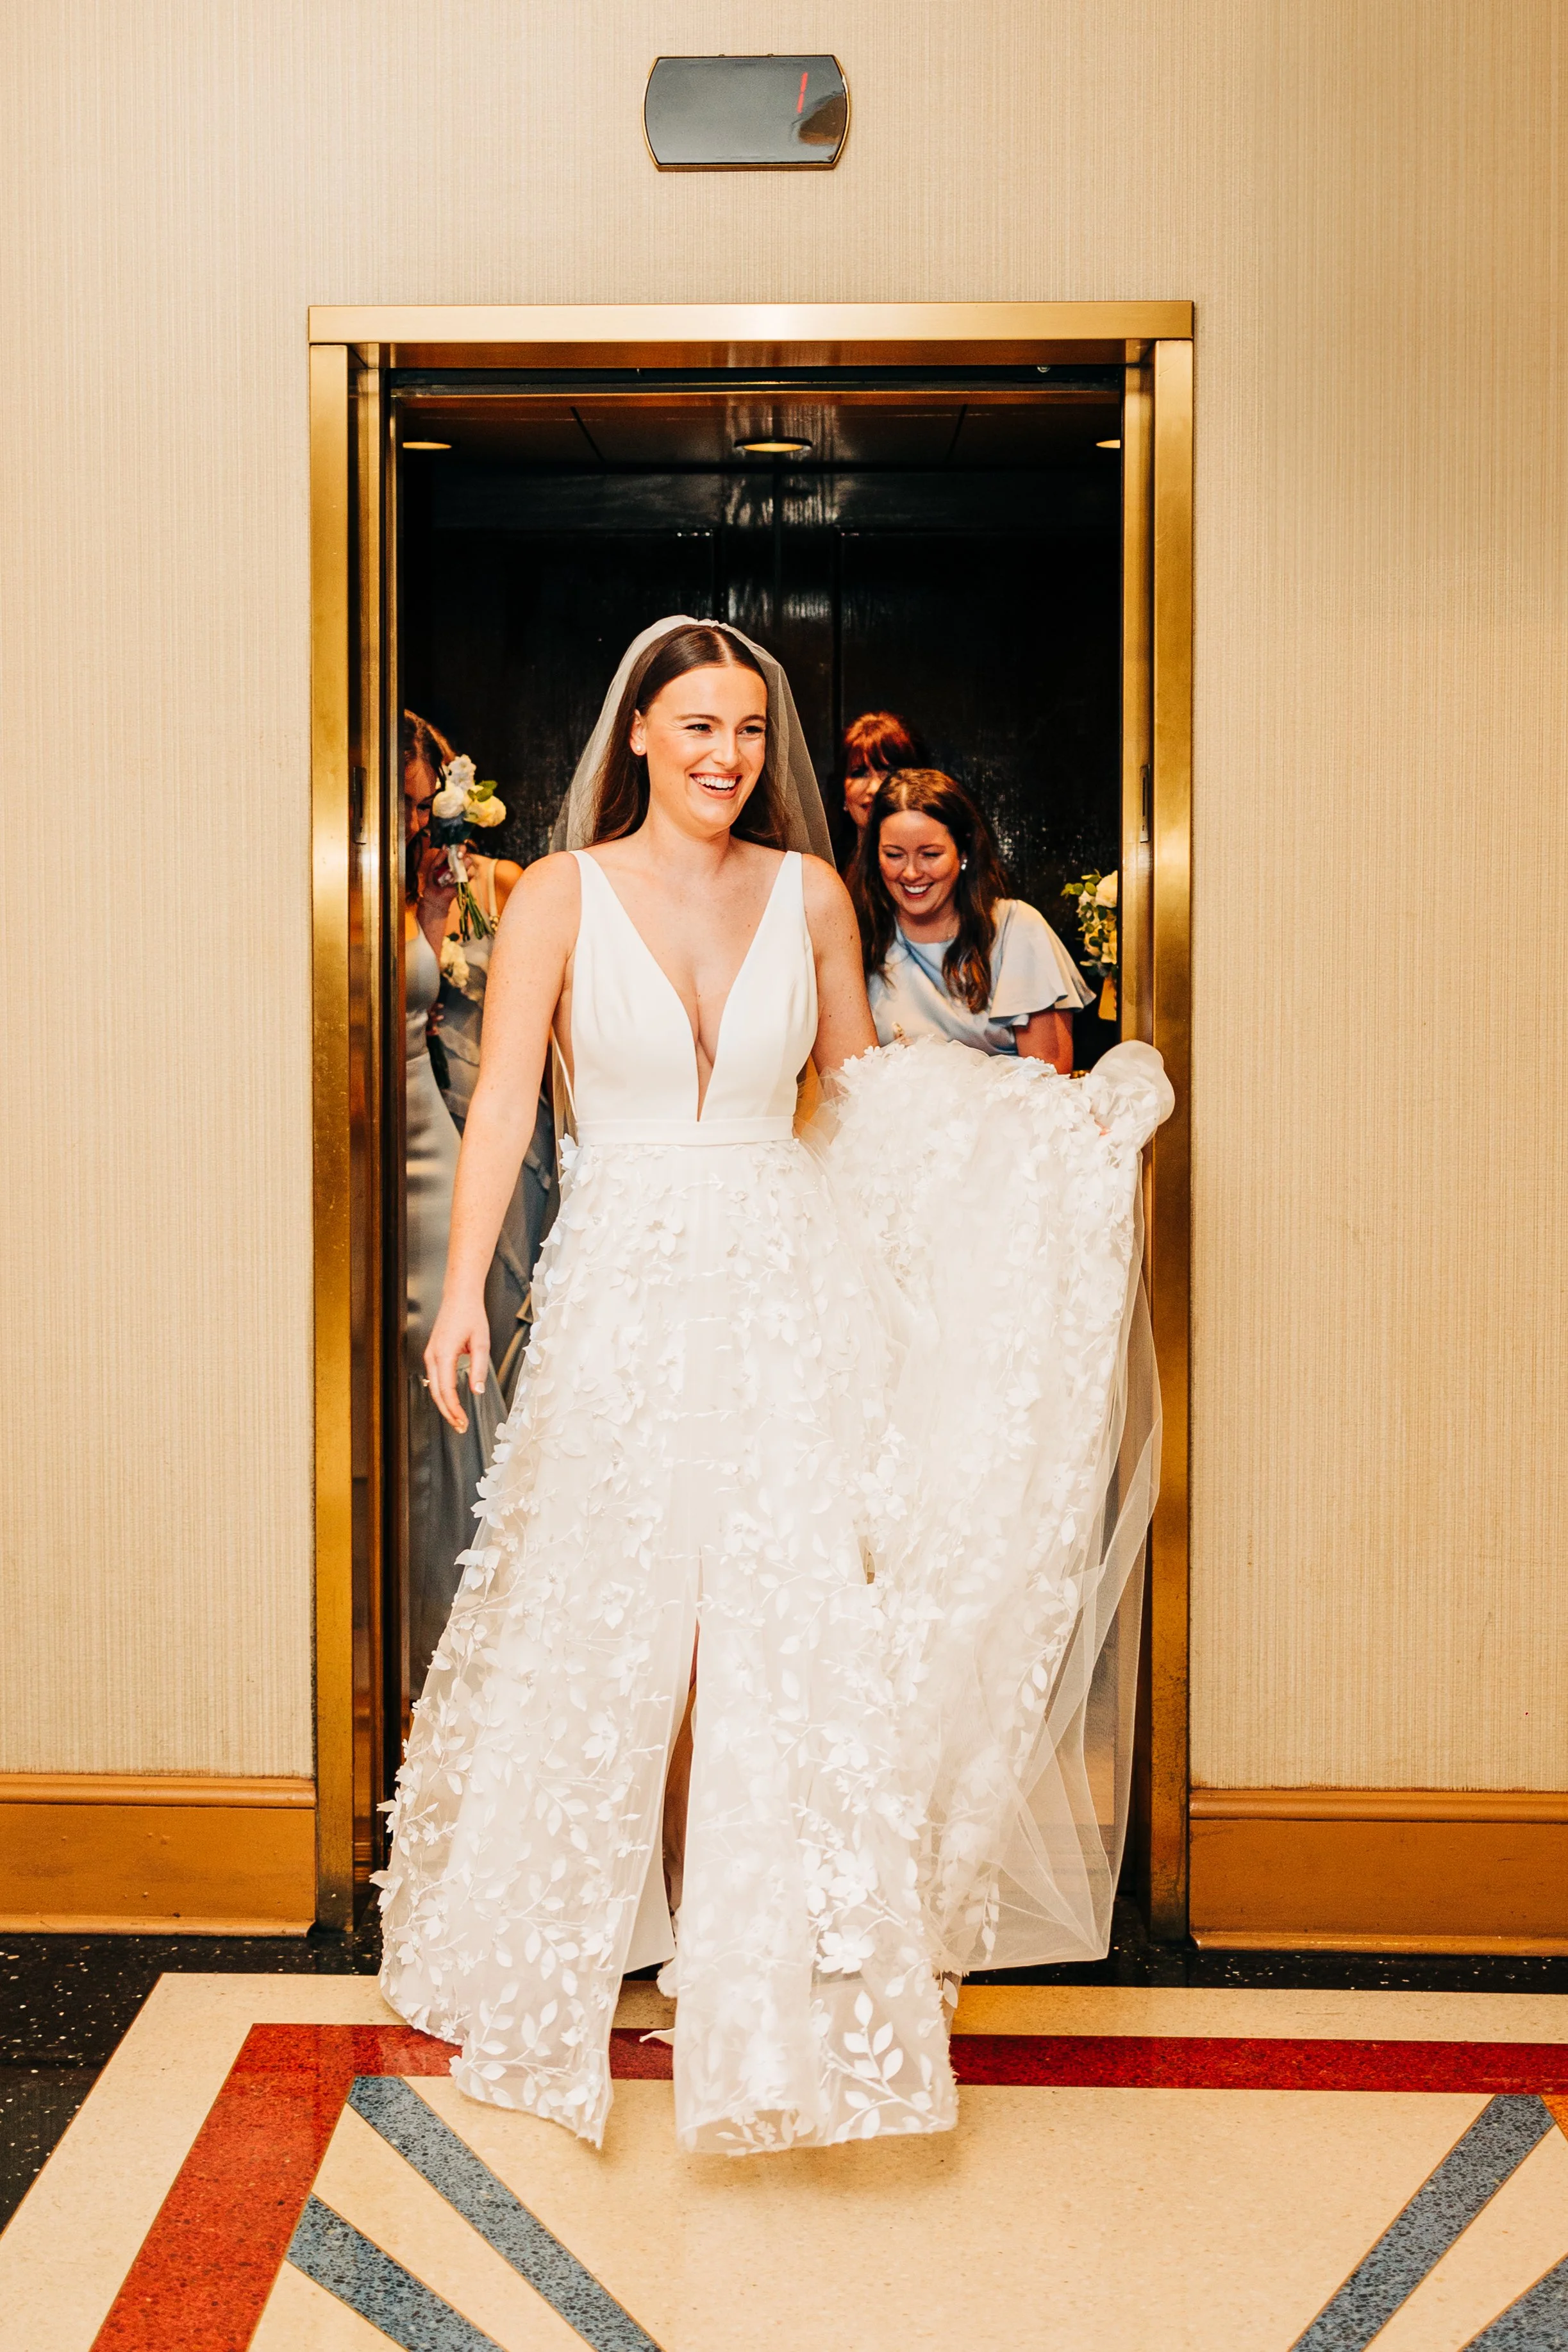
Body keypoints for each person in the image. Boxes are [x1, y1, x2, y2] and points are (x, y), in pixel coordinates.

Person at [376, 621, 1171, 2156]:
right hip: (618, 1281)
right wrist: (464, 1287)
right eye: (697, 727)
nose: (727, 755)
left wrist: (1032, 1133)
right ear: (638, 739)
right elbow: (497, 1118)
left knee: (777, 1614)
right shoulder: (553, 895)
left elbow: (867, 1092)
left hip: (778, 1273)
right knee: (620, 1609)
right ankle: (615, 1920)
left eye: (748, 728)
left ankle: (745, 1945)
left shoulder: (809, 892)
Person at [401, 713, 505, 1690]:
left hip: (423, 1128)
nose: (423, 816)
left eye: (427, 798)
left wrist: (432, 920)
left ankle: (440, 1624)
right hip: (364, 1139)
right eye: (412, 797)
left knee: (438, 1360)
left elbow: (420, 1007)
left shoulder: (419, 887)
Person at [434, 808, 558, 1405]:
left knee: (513, 1277)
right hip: (434, 1105)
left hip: (502, 1096)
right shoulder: (406, 893)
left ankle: (508, 1417)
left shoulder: (502, 882)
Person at [854, 767, 1092, 1070]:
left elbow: (1050, 1078)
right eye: (894, 855)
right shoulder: (862, 935)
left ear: (963, 851)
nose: (911, 873)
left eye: (930, 854)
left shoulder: (1016, 928)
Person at [836, 710, 926, 862]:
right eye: (859, 774)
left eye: (889, 773)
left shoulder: (925, 875)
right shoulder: (824, 871)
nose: (874, 789)